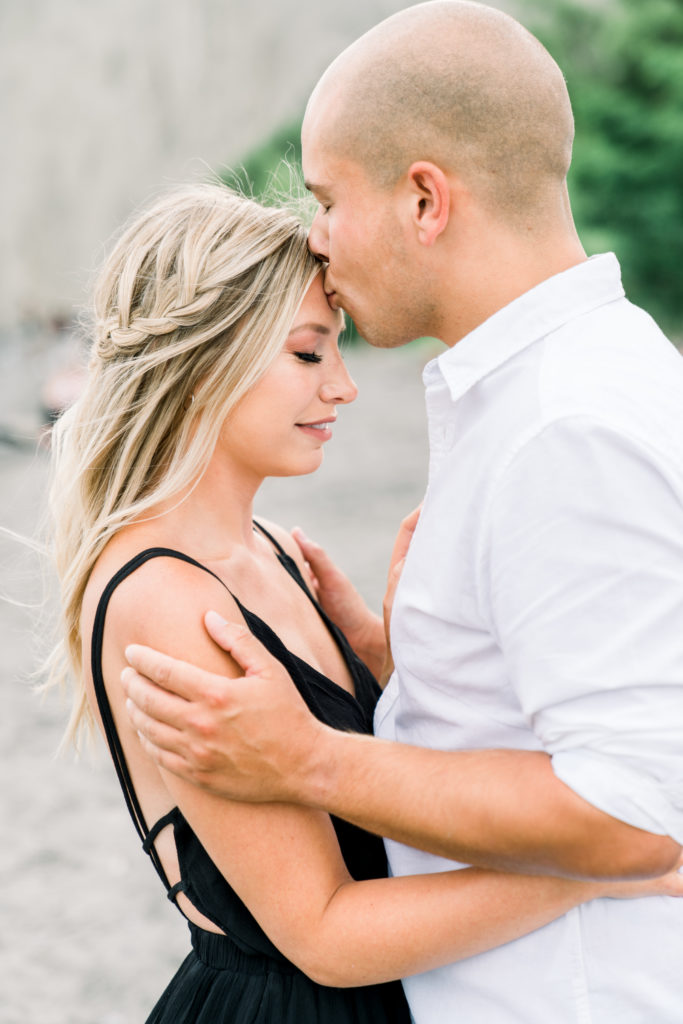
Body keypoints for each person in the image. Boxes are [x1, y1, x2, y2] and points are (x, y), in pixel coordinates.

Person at [121, 3, 683, 1022]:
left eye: (329, 197)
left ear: (424, 199)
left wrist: (311, 756)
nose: (315, 234)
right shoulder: (580, 380)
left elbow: (637, 808)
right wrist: (411, 677)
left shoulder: (560, 425)